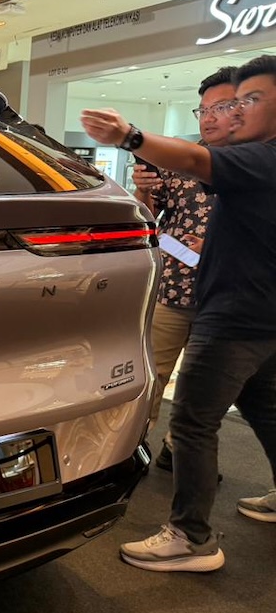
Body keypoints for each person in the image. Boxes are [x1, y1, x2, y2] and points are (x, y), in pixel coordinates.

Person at [80, 54, 276, 573]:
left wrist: (128, 136)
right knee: (265, 411)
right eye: (214, 107)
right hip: (243, 309)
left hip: (232, 315)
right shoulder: (245, 159)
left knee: (191, 422)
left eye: (248, 101)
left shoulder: (260, 159)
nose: (230, 114)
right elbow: (163, 208)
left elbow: (193, 160)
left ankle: (192, 537)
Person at [132, 67, 236, 473]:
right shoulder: (178, 161)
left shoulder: (258, 164)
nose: (208, 118)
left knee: (207, 385)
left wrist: (216, 248)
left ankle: (179, 449)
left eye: (220, 108)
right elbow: (149, 217)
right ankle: (129, 447)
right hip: (173, 288)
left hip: (228, 298)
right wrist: (143, 189)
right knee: (152, 372)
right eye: (202, 109)